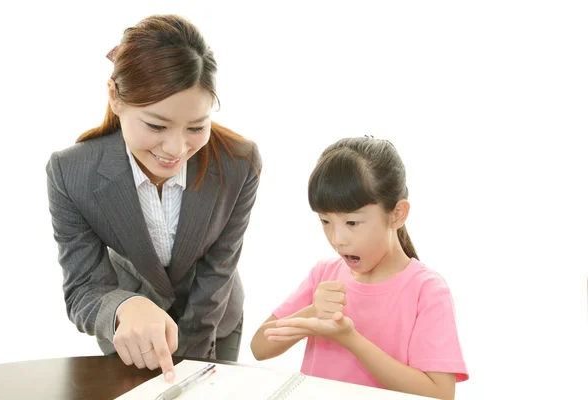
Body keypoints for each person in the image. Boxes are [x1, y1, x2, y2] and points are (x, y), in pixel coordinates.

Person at [45, 14, 261, 383]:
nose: (176, 149)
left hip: (214, 321)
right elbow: (83, 289)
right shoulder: (71, 172)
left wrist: (193, 370)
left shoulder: (239, 162)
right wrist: (125, 306)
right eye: (156, 126)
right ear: (115, 97)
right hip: (132, 333)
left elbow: (218, 271)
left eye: (196, 127)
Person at [250, 137, 467, 399]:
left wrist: (350, 339)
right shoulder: (324, 274)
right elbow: (259, 347)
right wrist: (313, 313)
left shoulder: (427, 289)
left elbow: (440, 394)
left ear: (397, 214)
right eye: (325, 221)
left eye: (352, 223)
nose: (337, 238)